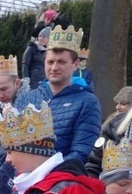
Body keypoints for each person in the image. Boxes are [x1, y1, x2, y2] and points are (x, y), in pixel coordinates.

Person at [14, 25, 102, 163]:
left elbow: (81, 152)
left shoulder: (87, 103)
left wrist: (43, 173)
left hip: (59, 178)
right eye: (50, 62)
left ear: (75, 64)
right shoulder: (26, 98)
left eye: (61, 62)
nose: (54, 68)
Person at [85, 85, 132, 180]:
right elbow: (95, 161)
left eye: (123, 104)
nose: (117, 107)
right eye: (117, 103)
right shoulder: (112, 121)